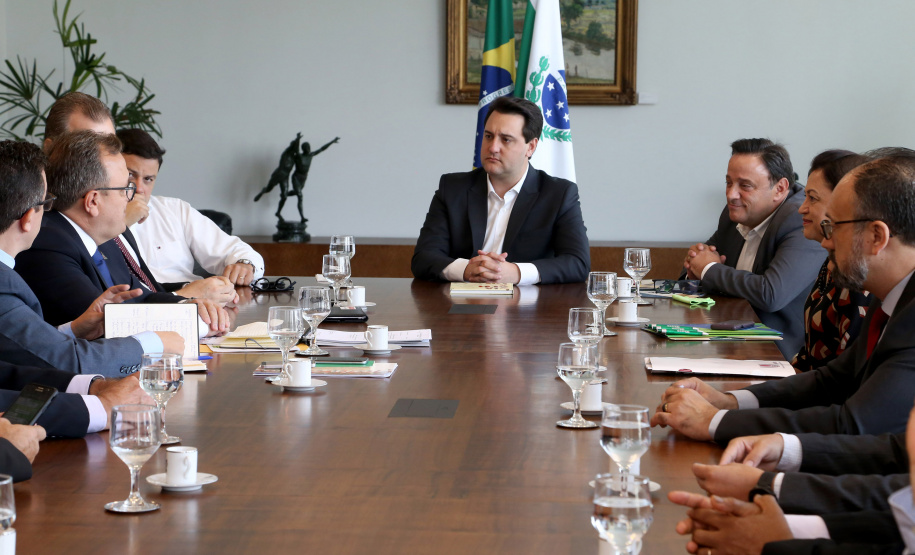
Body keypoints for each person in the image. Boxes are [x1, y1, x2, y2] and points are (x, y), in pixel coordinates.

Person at [652, 152, 915, 443]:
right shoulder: (891, 296)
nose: (825, 241)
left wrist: (716, 421)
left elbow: (855, 424)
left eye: (833, 227)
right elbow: (832, 380)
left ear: (877, 237)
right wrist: (730, 401)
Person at [15, 131, 230, 334]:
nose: (131, 197)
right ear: (93, 201)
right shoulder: (48, 245)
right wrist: (192, 323)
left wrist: (190, 306)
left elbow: (142, 298)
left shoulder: (105, 239)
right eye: (125, 189)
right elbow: (109, 324)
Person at [0, 139, 184, 376]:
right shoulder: (5, 282)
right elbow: (69, 362)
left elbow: (20, 350)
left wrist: (73, 331)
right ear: (27, 218)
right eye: (45, 204)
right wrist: (154, 345)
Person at [42, 91, 238, 305]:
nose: (134, 191)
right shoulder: (44, 232)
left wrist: (191, 297)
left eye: (108, 141)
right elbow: (104, 321)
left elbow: (140, 293)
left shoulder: (106, 233)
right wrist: (186, 300)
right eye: (86, 142)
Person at [411, 96, 590, 285]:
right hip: (459, 307)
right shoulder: (453, 188)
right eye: (488, 136)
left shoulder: (558, 194)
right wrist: (466, 269)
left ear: (531, 147)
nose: (493, 147)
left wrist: (517, 272)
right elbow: (423, 258)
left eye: (506, 139)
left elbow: (578, 263)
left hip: (528, 309)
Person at [682, 139, 826, 358]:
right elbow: (702, 262)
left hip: (780, 354)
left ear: (780, 188)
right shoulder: (735, 214)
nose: (731, 194)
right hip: (728, 340)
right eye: (728, 182)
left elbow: (771, 294)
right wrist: (696, 272)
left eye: (745, 186)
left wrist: (708, 270)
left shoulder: (800, 220)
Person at [118, 128, 265, 287]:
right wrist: (123, 224)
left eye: (148, 179)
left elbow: (235, 251)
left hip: (191, 303)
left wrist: (244, 264)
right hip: (132, 305)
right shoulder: (92, 216)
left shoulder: (175, 210)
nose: (139, 188)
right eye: (130, 175)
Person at [793, 150, 872, 370]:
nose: (802, 207)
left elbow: (841, 377)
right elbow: (809, 354)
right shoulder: (830, 259)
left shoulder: (857, 275)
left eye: (813, 198)